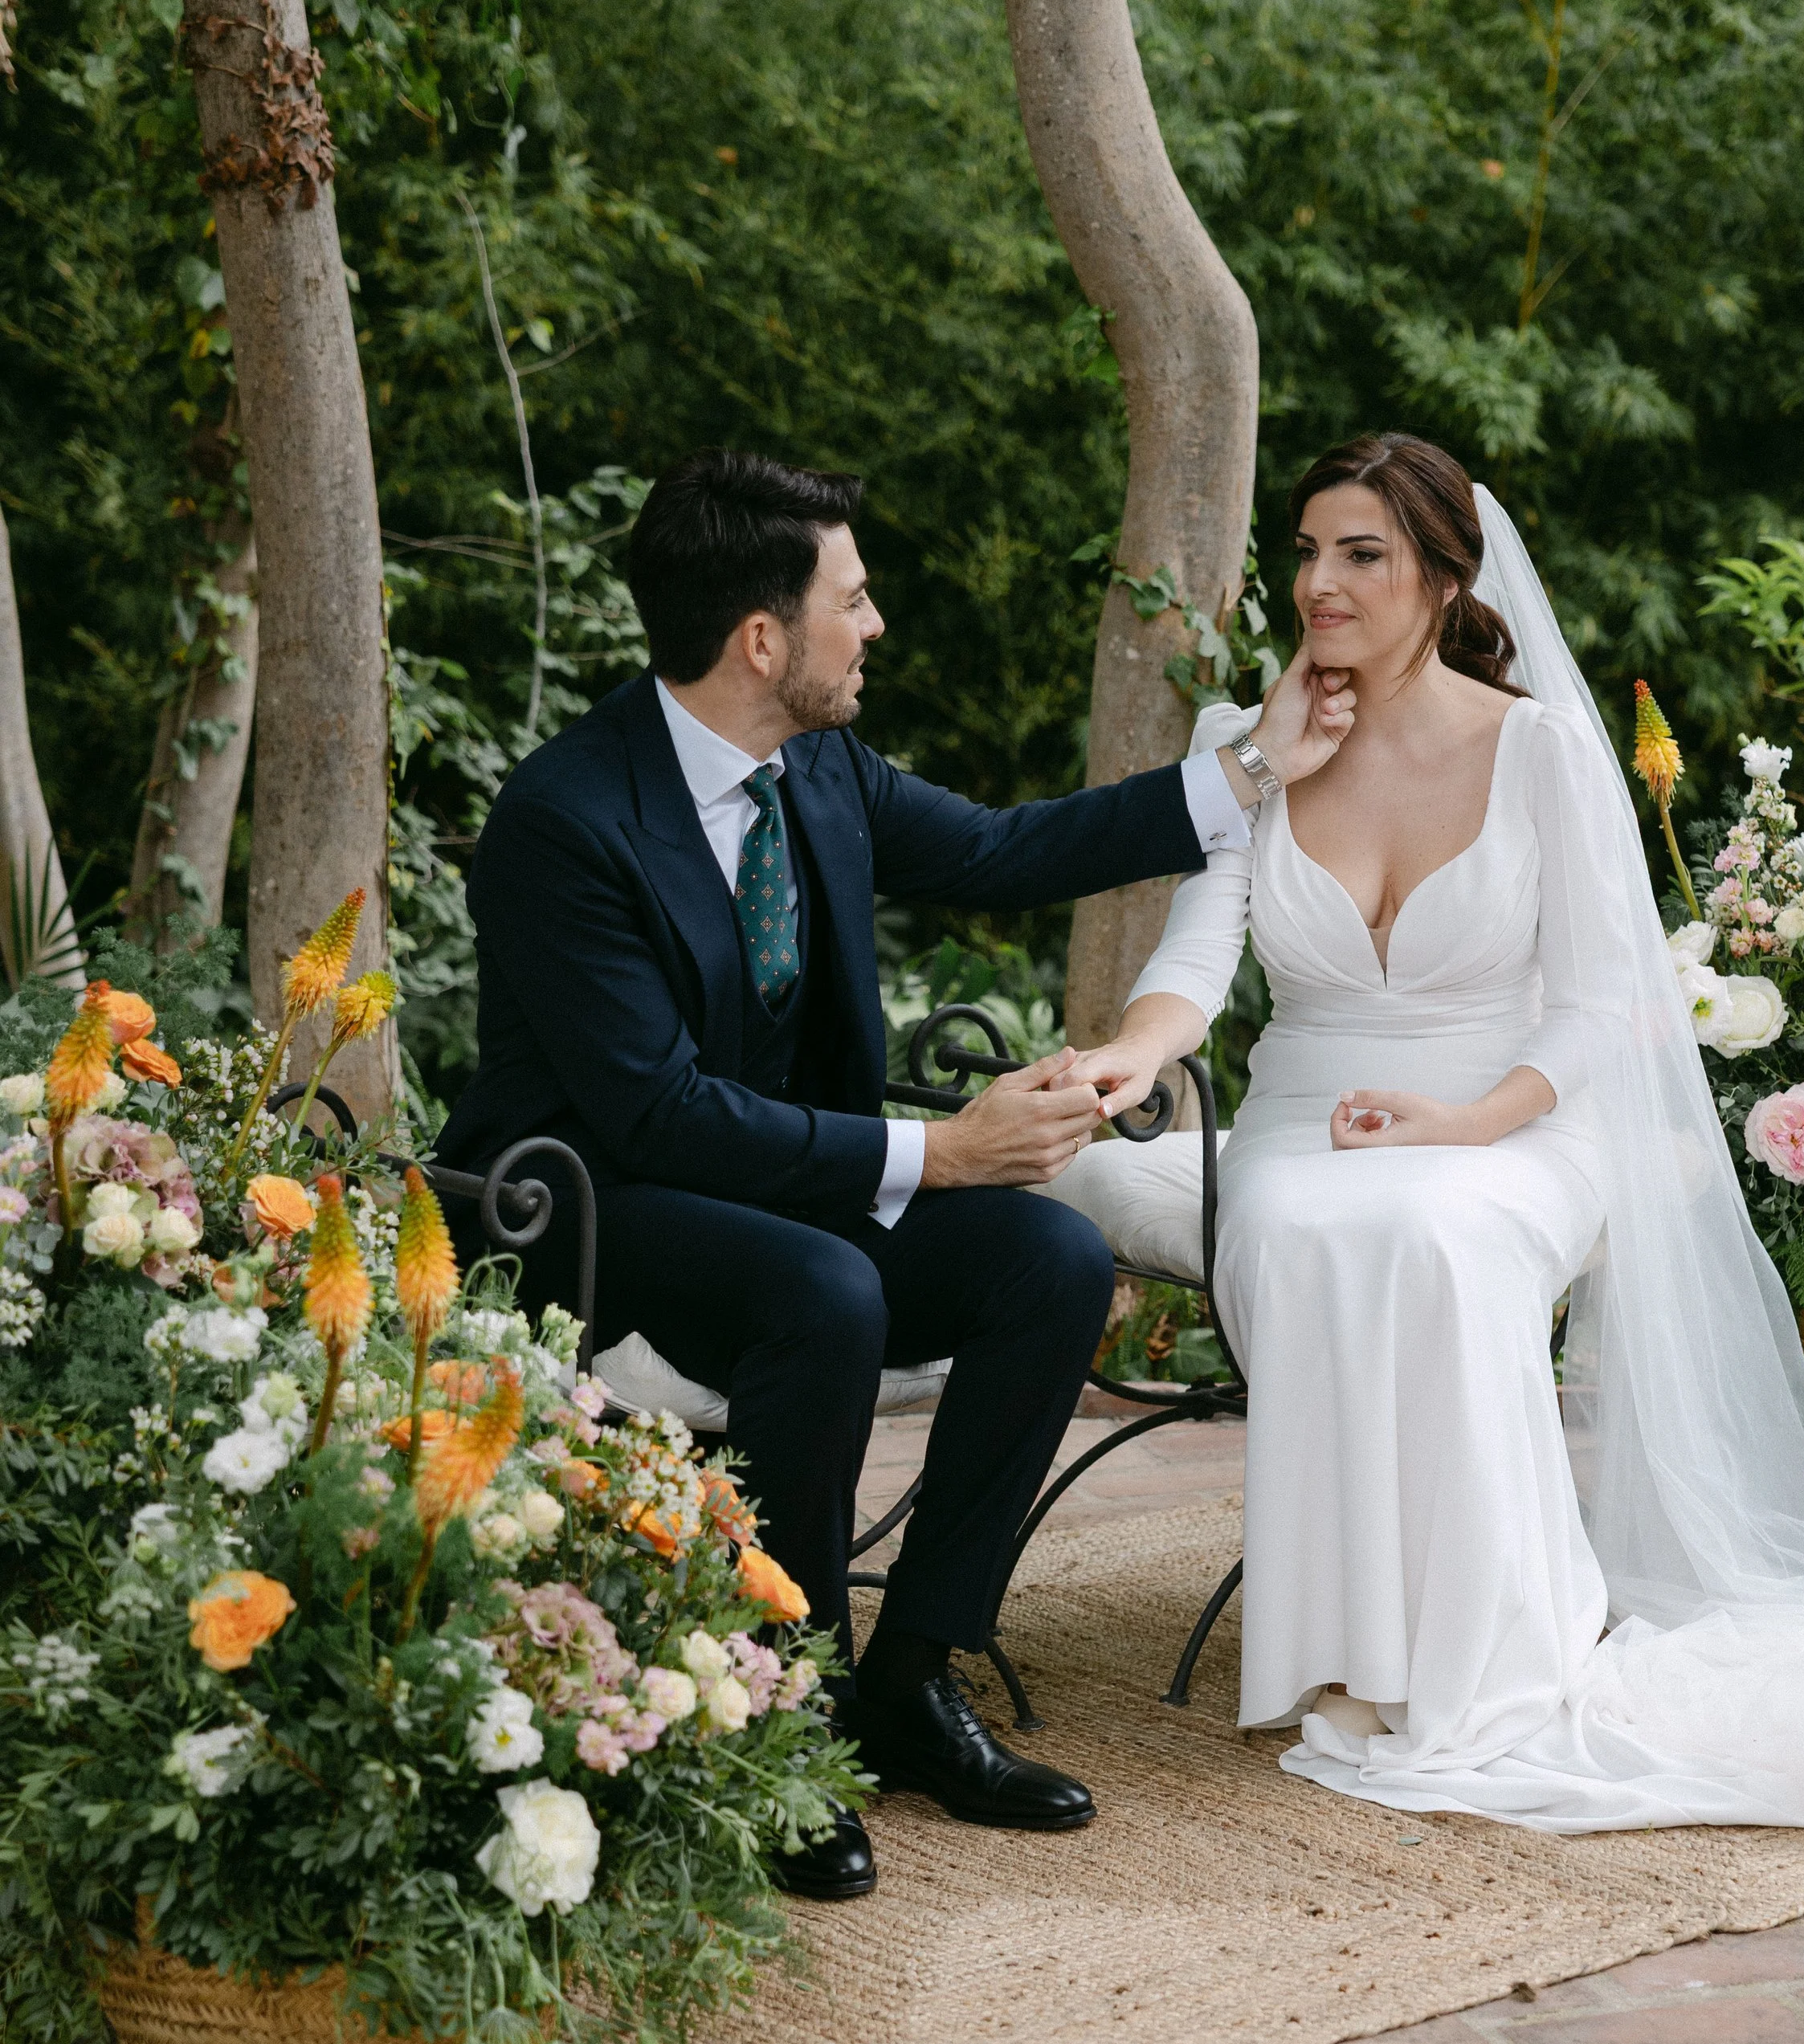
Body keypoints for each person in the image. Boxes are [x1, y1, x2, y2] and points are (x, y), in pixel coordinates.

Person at [1075, 431, 1804, 1879]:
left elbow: (1595, 1007)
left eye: (1360, 554)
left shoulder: (1545, 751)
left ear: (1446, 578)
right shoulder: (1241, 739)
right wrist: (1134, 1054)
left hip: (1519, 1114)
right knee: (1317, 1228)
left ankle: (1485, 1657)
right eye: (1307, 552)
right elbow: (1198, 955)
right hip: (1306, 1114)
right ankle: (1346, 1653)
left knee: (1441, 1228)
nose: (1319, 582)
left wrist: (1468, 1120)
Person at [437, 445, 1350, 1900]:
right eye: (851, 601)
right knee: (825, 1290)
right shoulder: (566, 819)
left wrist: (1253, 768)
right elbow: (659, 1114)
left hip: (779, 1184)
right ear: (761, 638)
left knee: (1046, 1260)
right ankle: (788, 1715)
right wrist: (944, 1149)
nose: (876, 627)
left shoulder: (821, 766)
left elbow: (1002, 848)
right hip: (590, 1204)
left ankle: (915, 1677)